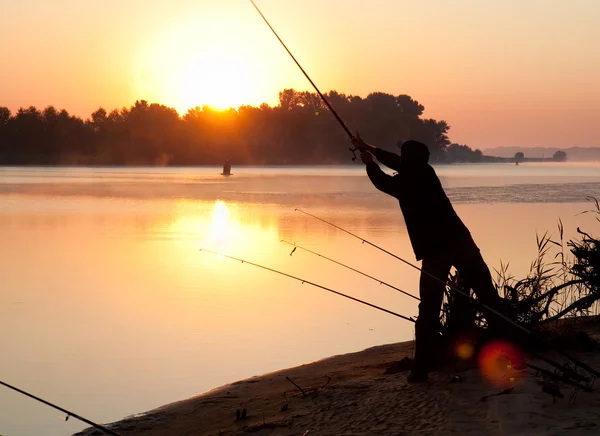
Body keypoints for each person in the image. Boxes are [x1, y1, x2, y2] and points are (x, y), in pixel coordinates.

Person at [353, 134, 504, 382]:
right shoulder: (427, 171)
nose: (400, 158)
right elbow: (399, 163)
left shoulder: (405, 184)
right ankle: (510, 349)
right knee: (488, 296)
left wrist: (369, 162)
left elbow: (382, 182)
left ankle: (421, 370)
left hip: (435, 251)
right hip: (461, 240)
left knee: (429, 308)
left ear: (408, 159)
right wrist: (369, 147)